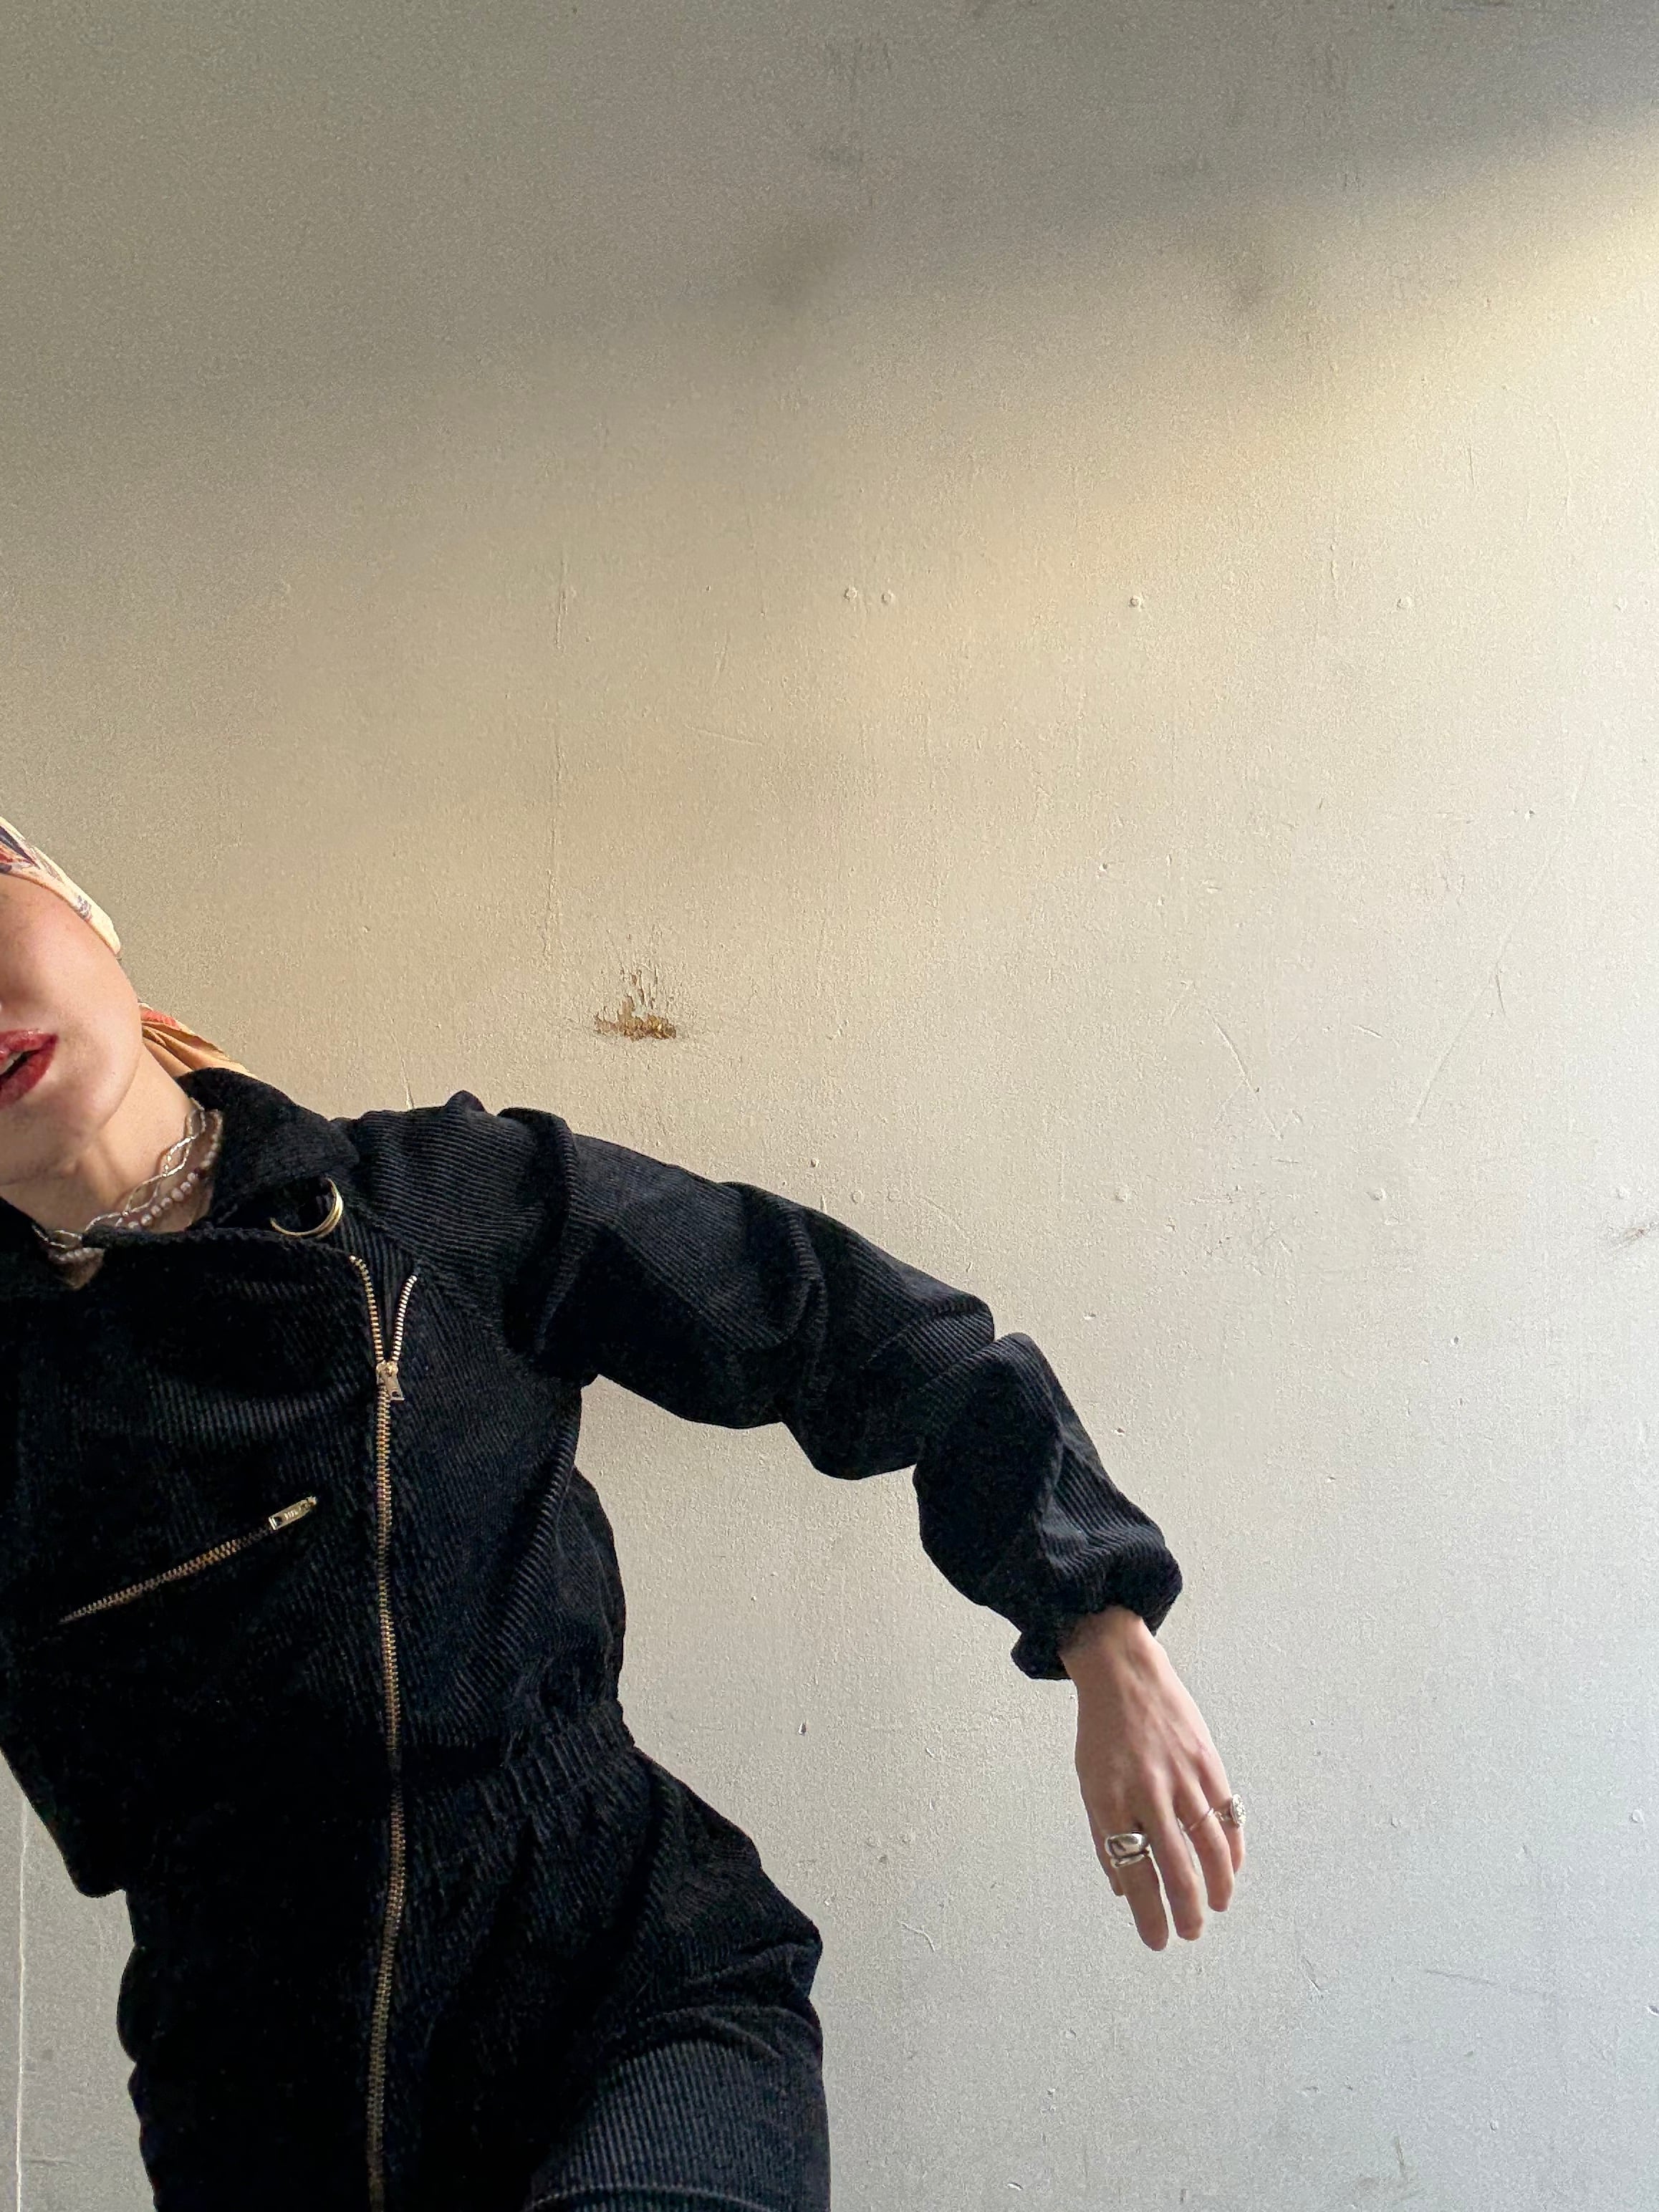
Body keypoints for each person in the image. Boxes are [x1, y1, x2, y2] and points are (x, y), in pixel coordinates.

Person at [0, 814, 1243, 2212]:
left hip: (627, 1998)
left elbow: (848, 1326)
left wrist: (1097, 1614)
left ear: (77, 906)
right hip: (262, 2105)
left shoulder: (438, 1203)